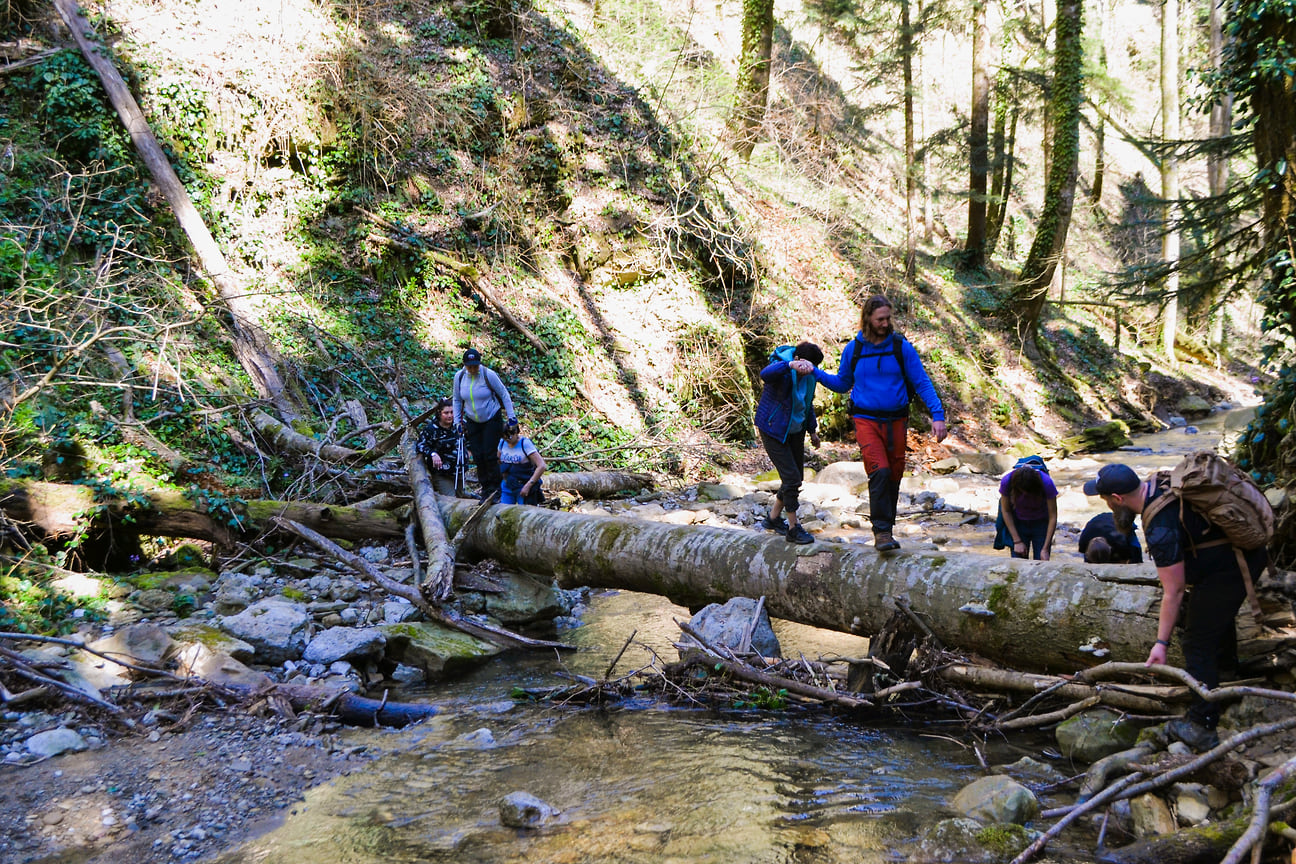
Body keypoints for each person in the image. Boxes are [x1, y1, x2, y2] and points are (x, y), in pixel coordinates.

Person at [1084, 463, 1267, 751]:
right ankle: (1227, 681)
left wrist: (1161, 644)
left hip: (1233, 567)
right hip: (1234, 558)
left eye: (1106, 500)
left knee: (1196, 641)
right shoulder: (1158, 484)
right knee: (1214, 618)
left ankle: (1201, 725)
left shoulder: (1159, 527)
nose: (1107, 506)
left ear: (1117, 498)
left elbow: (1174, 590)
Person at [812, 294, 947, 551]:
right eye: (880, 319)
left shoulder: (900, 347)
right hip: (866, 420)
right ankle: (882, 532)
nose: (886, 323)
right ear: (868, 320)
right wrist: (816, 373)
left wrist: (937, 415)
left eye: (888, 318)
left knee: (894, 476)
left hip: (897, 420)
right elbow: (842, 384)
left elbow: (921, 381)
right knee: (880, 471)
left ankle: (888, 528)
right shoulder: (855, 349)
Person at [754, 342, 824, 545]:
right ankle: (793, 528)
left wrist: (813, 431)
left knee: (795, 478)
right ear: (799, 360)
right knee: (792, 479)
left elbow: (807, 404)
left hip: (795, 431)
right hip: (773, 429)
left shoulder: (810, 377)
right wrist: (790, 366)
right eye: (806, 367)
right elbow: (765, 375)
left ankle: (773, 519)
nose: (808, 372)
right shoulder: (782, 367)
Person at [452, 348, 516, 498]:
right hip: (472, 420)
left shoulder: (488, 375)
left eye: (475, 365)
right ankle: (486, 488)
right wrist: (457, 422)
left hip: (491, 418)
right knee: (478, 455)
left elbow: (503, 394)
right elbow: (457, 399)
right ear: (465, 365)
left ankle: (496, 488)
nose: (473, 369)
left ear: (479, 364)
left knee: (489, 453)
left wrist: (512, 418)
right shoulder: (460, 377)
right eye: (470, 366)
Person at [995, 463, 1058, 560]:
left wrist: (1045, 548)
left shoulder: (1046, 483)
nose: (1025, 494)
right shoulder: (1007, 481)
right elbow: (1006, 511)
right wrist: (1017, 541)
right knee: (1018, 563)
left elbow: (1052, 516)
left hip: (1041, 524)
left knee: (1041, 562)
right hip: (1018, 523)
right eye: (1022, 492)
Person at [415, 398, 463, 497]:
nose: (450, 415)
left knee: (462, 498)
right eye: (446, 413)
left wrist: (468, 452)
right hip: (442, 473)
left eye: (452, 412)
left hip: (459, 471)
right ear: (439, 413)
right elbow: (420, 445)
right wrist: (432, 453)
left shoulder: (459, 425)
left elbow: (470, 438)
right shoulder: (431, 429)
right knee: (451, 500)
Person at [497, 419, 545, 505]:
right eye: (504, 437)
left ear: (516, 432)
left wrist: (528, 486)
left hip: (522, 485)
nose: (507, 439)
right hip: (507, 484)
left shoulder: (525, 444)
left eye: (509, 436)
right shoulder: (502, 443)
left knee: (524, 513)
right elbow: (498, 459)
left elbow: (541, 466)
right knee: (503, 511)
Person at [1078, 511, 1143, 564]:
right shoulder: (1083, 542)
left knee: (1135, 550)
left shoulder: (1119, 541)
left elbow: (1125, 561)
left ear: (1110, 548)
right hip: (1098, 522)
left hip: (1120, 522)